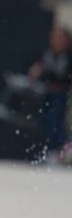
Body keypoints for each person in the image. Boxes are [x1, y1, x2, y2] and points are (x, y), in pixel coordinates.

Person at [29, 26, 72, 158]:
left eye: (60, 38)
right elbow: (35, 71)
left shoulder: (69, 57)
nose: (57, 41)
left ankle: (58, 151)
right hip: (45, 93)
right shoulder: (47, 54)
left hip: (61, 95)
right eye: (54, 38)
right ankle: (48, 152)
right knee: (44, 122)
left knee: (56, 122)